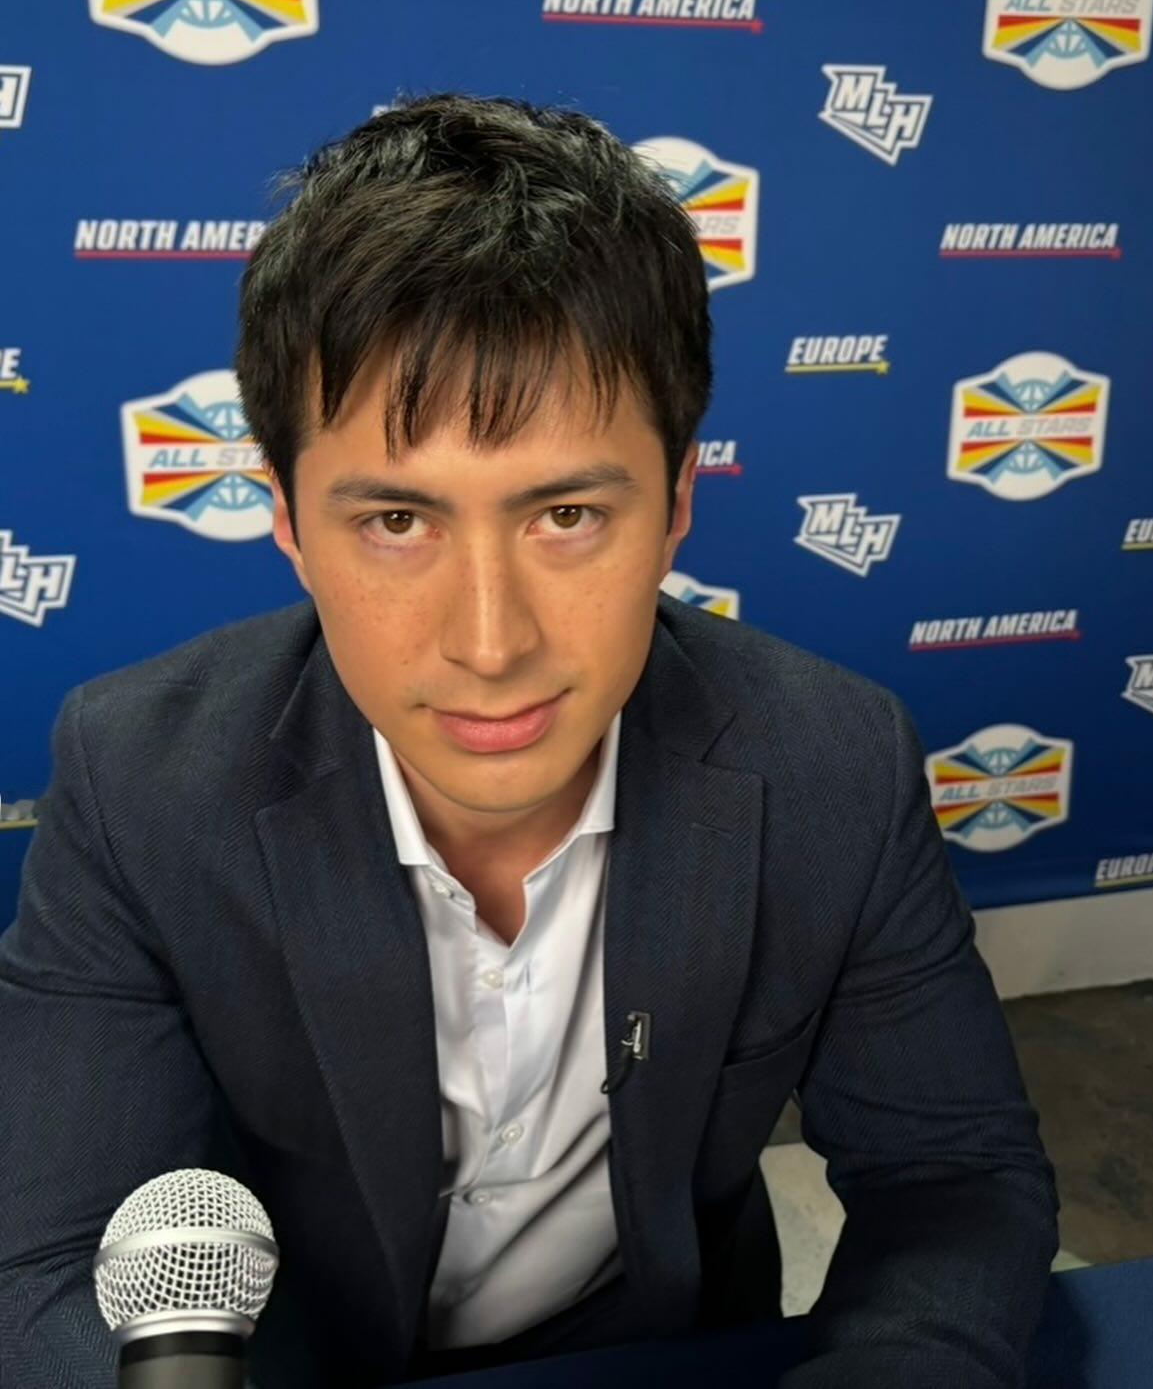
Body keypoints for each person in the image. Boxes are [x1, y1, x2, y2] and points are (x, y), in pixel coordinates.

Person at [0, 94, 1058, 1388]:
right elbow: (50, 1256)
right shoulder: (138, 779)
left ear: (676, 501)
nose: (490, 640)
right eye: (396, 521)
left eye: (566, 514)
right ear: (286, 522)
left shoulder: (837, 762)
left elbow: (951, 1178)